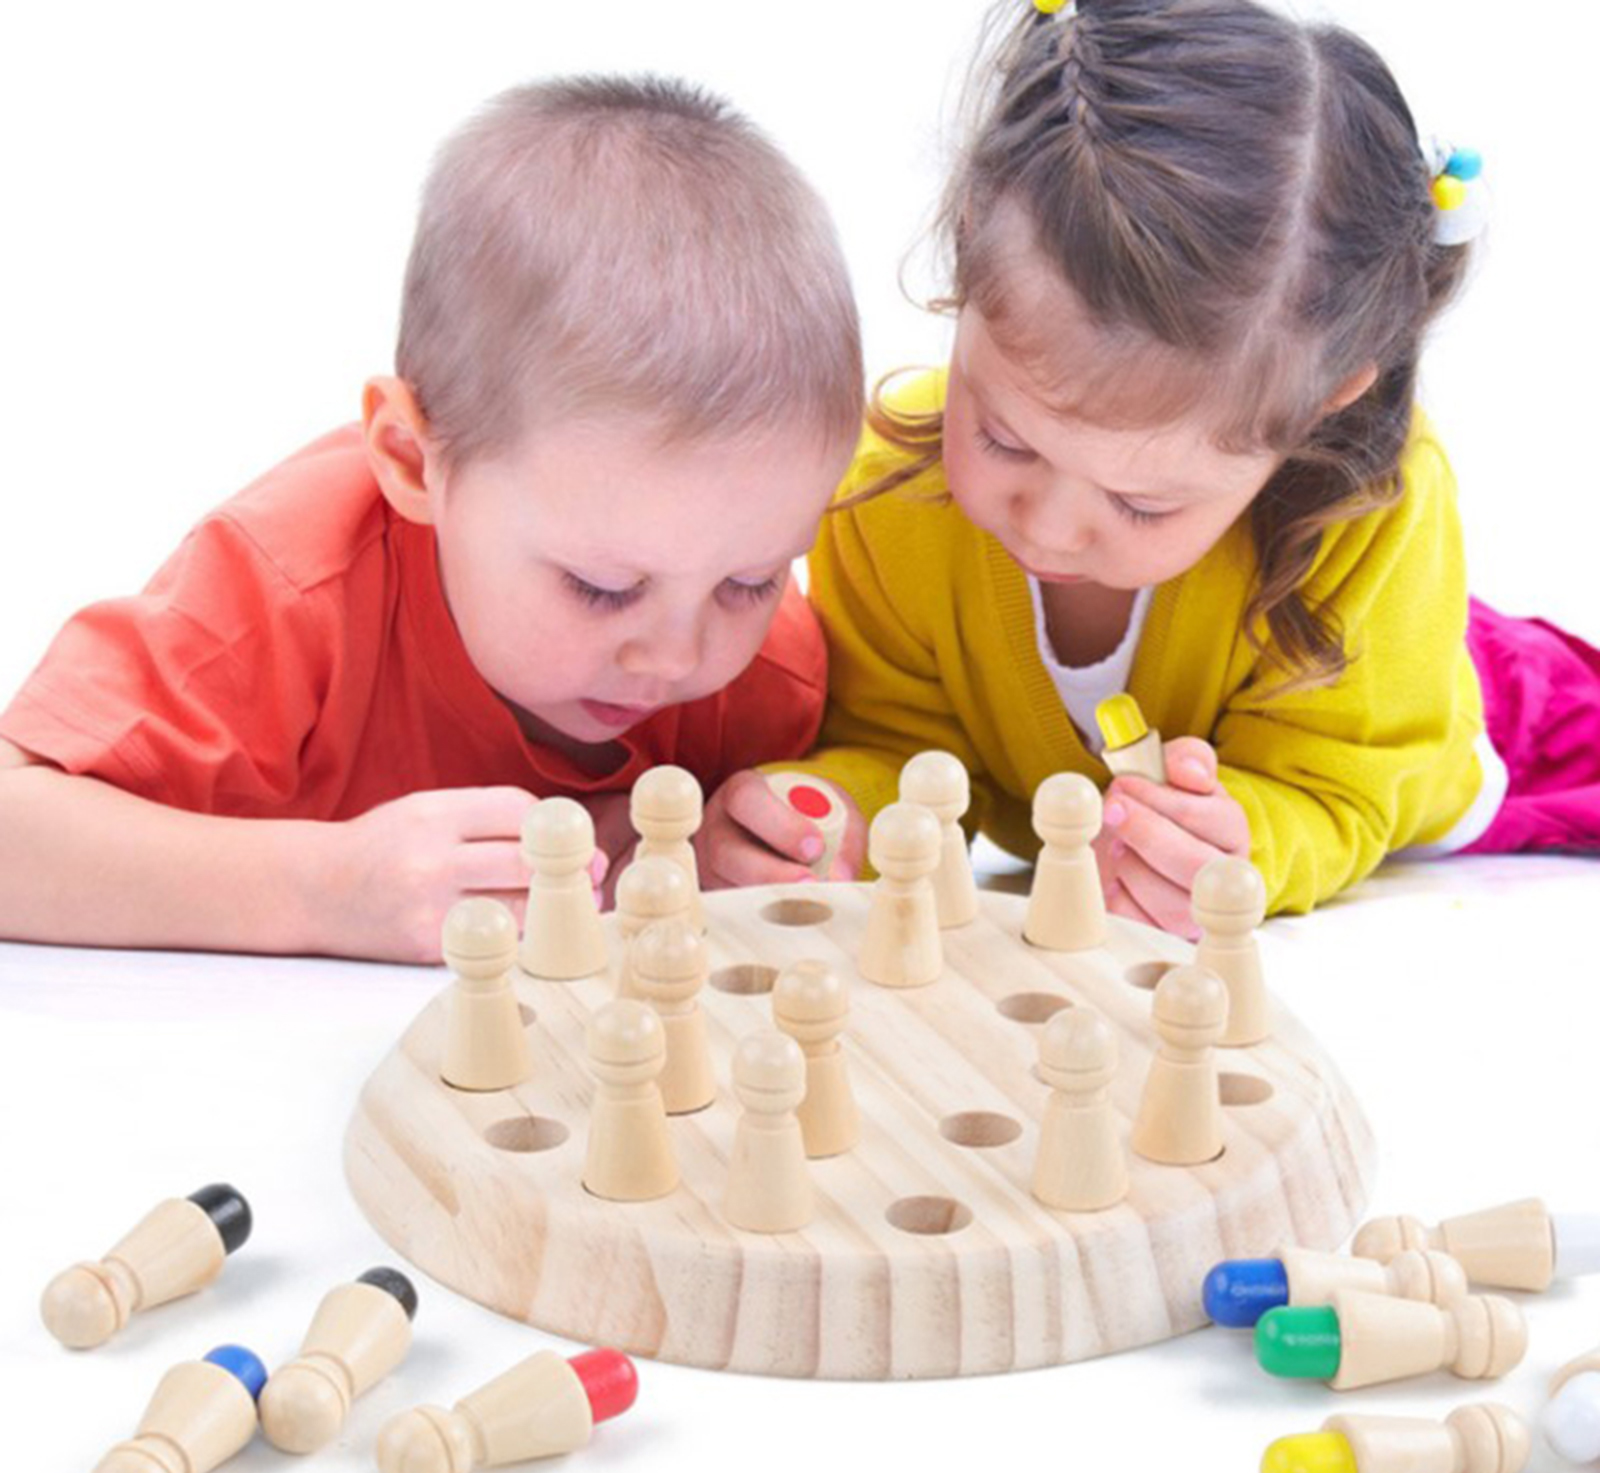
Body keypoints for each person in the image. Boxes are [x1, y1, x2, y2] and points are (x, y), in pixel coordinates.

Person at [700, 0, 1600, 935]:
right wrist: (834, 821)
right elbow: (907, 749)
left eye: (1141, 503)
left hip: (1462, 721)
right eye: (1005, 439)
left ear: (1318, 410)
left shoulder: (1374, 512)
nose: (1048, 529)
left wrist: (1246, 844)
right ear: (966, 256)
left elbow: (1341, 787)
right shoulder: (888, 494)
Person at [0, 77, 862, 962]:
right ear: (414, 459)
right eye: (602, 587)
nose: (679, 656)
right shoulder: (287, 598)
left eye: (752, 581)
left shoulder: (764, 673)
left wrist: (726, 850)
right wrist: (322, 892)